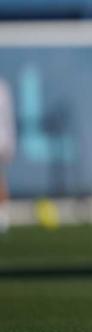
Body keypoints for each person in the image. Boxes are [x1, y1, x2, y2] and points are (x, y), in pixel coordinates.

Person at [0, 78, 15, 233]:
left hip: (1, 139)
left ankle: (2, 216)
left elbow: (7, 117)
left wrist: (10, 142)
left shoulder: (2, 88)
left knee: (0, 178)